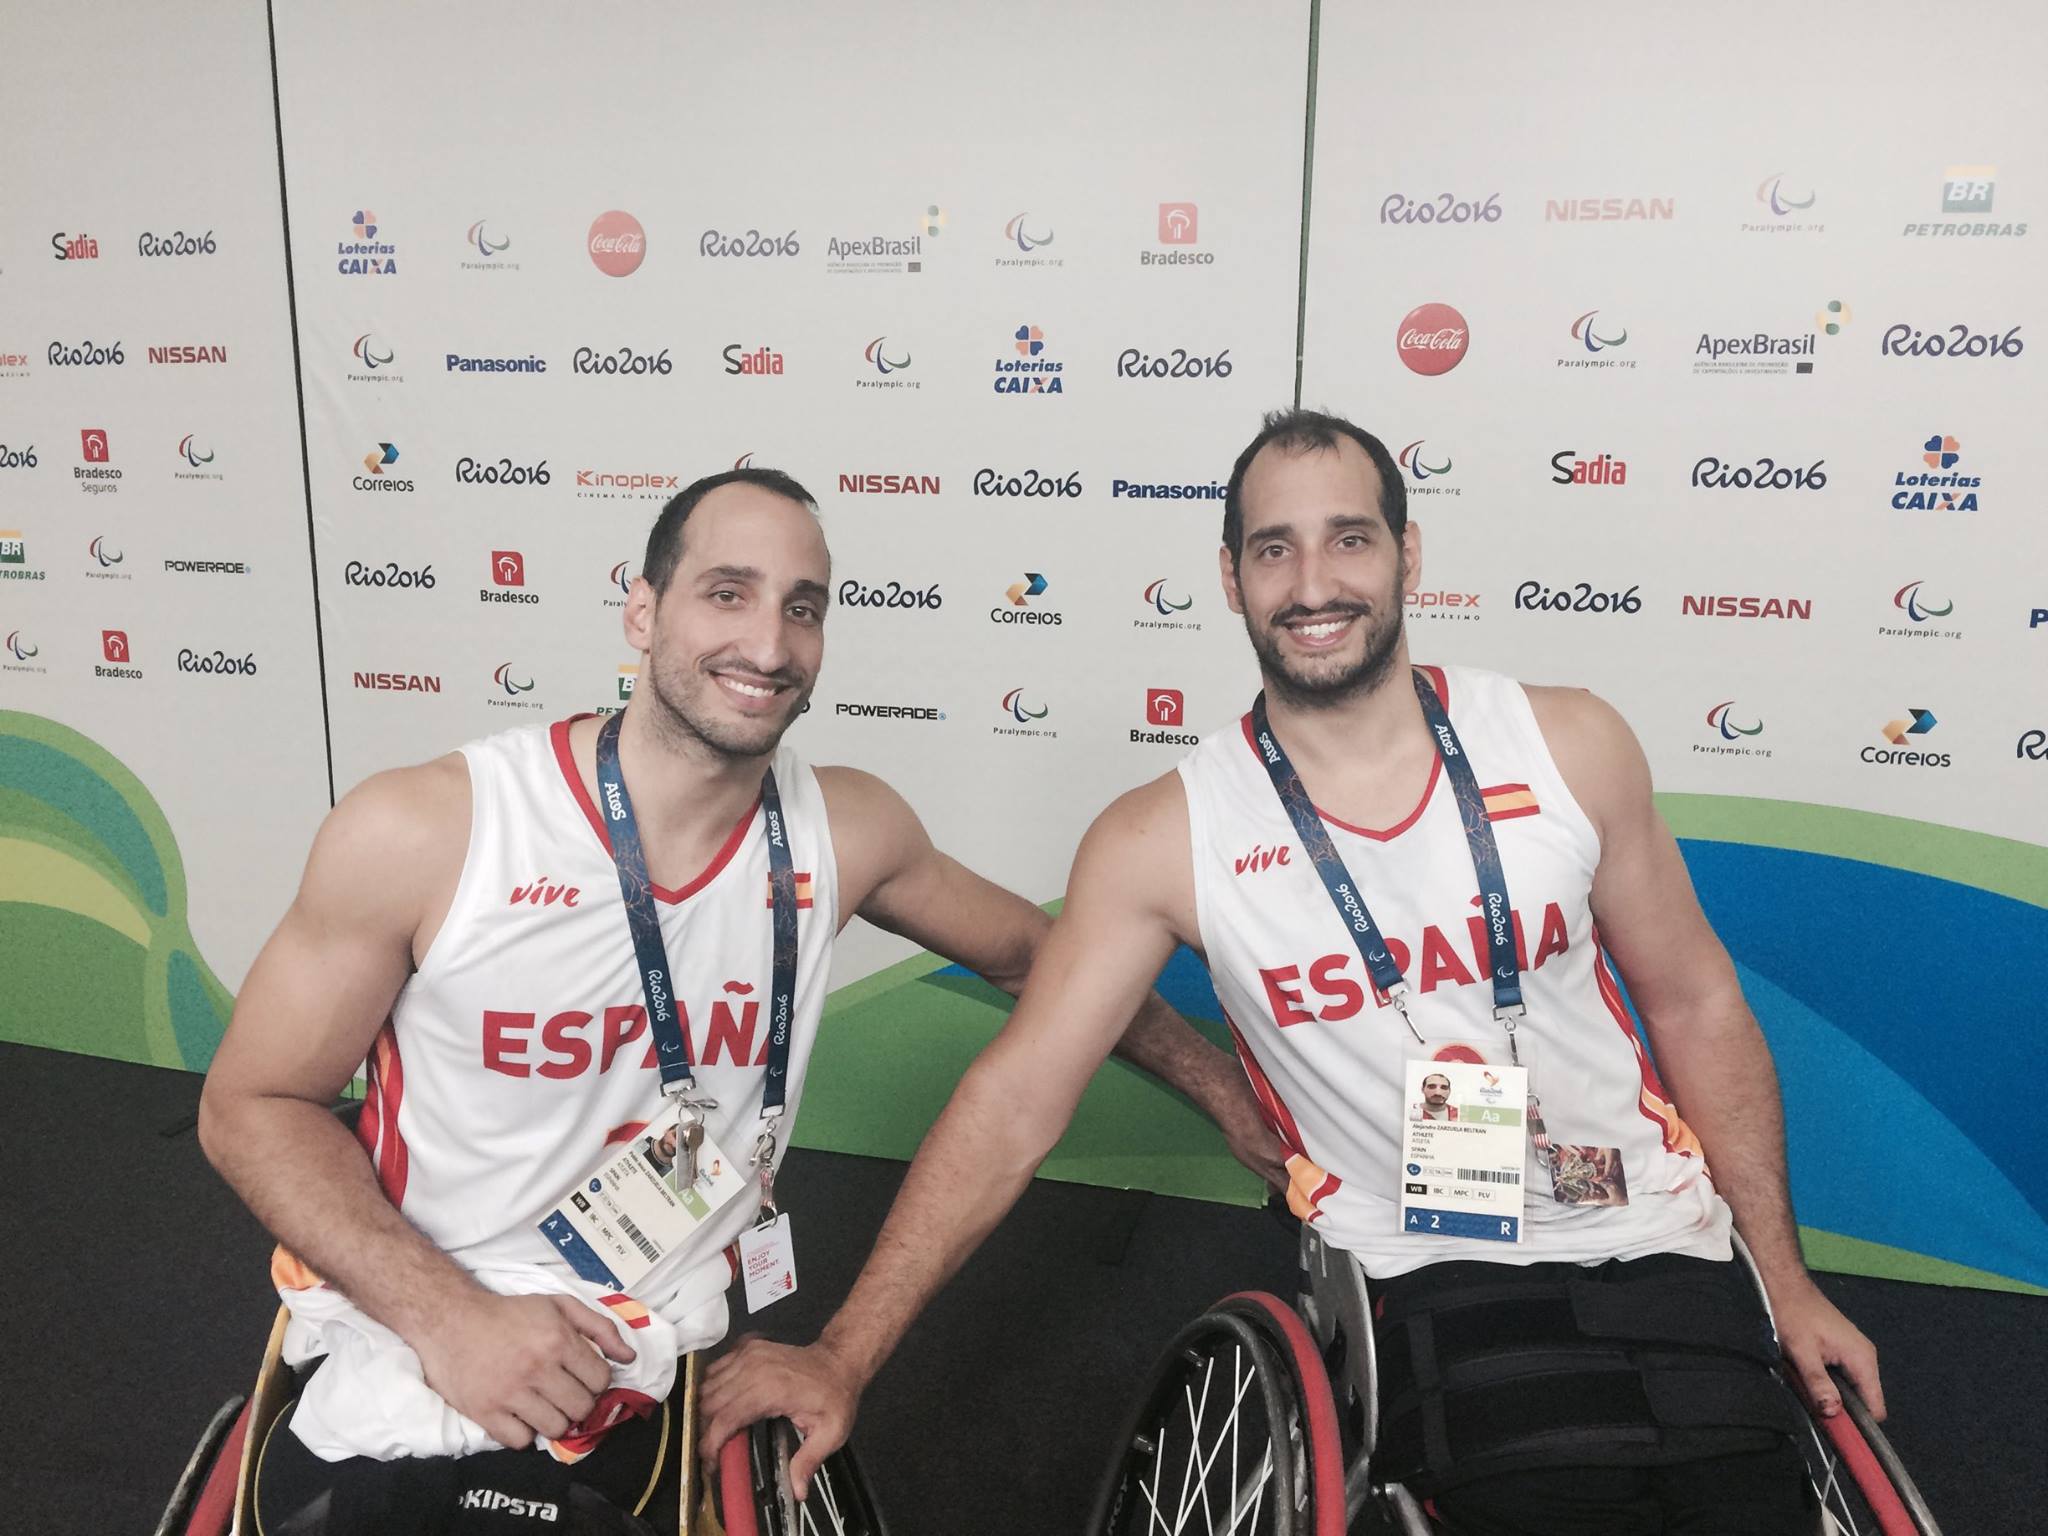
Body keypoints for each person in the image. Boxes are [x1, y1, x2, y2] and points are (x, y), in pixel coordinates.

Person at [701, 413, 1885, 1533]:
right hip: (1426, 1274)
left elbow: (1694, 1001)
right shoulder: (1162, 836)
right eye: (1274, 548)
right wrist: (843, 1351)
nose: (1313, 583)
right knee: (1551, 1499)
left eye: (1348, 538)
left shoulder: (1566, 741)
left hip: (1657, 1237)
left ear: (1406, 553)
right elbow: (1014, 1103)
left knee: (1745, 1496)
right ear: (1230, 578)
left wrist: (1782, 1281)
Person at [198, 466, 1282, 1533]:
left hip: (665, 1340)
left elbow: (1046, 960)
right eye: (728, 592)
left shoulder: (844, 832)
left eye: (800, 609)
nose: (768, 646)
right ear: (641, 609)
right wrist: (451, 1319)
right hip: (424, 1329)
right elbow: (252, 1104)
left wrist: (1224, 1092)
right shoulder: (430, 830)